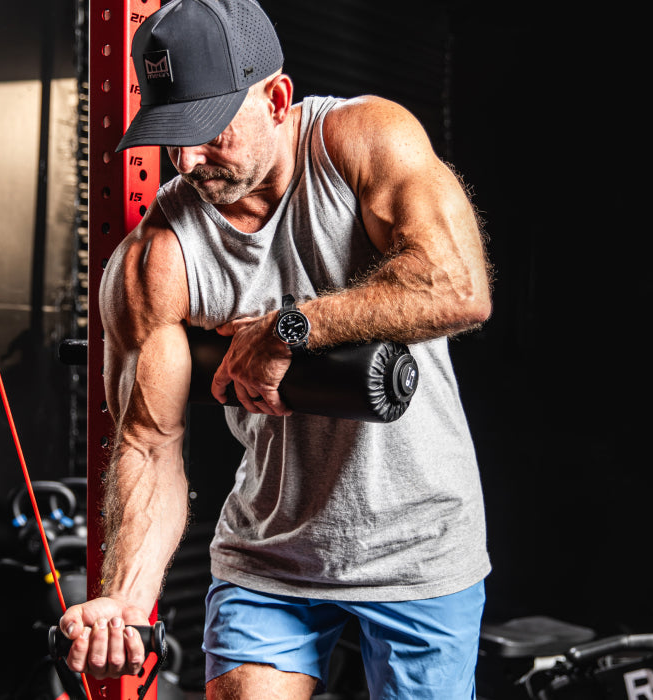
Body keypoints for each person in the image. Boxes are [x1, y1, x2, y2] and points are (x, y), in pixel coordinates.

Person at [59, 0, 493, 697]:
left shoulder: (362, 140)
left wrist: (293, 327)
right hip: (270, 555)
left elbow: (459, 287)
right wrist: (127, 599)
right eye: (173, 135)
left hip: (421, 548)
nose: (189, 160)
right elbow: (147, 443)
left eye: (208, 131)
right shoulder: (158, 256)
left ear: (277, 98)